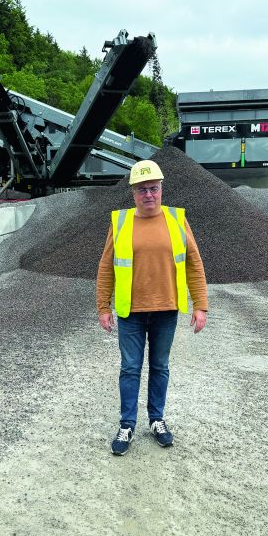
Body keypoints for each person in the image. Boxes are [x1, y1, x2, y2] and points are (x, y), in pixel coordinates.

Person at [96, 159, 208, 456]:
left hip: (166, 310)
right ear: (133, 193)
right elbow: (106, 267)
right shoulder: (120, 222)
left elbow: (195, 264)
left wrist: (201, 305)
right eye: (142, 189)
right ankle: (127, 424)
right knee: (130, 368)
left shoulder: (176, 220)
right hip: (130, 312)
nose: (148, 194)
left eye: (153, 189)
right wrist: (102, 307)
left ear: (161, 190)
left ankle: (157, 420)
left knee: (160, 367)